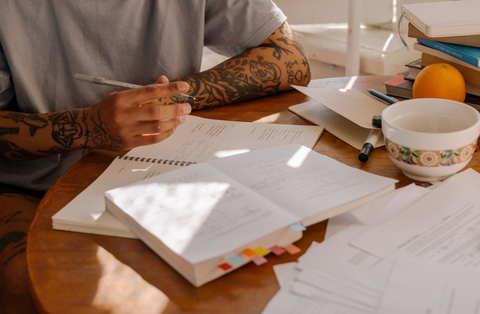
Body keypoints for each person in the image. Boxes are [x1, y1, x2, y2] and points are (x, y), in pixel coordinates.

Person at [0, 1, 311, 312]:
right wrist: (87, 126)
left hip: (163, 172)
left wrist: (174, 98)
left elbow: (291, 56)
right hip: (28, 185)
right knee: (38, 289)